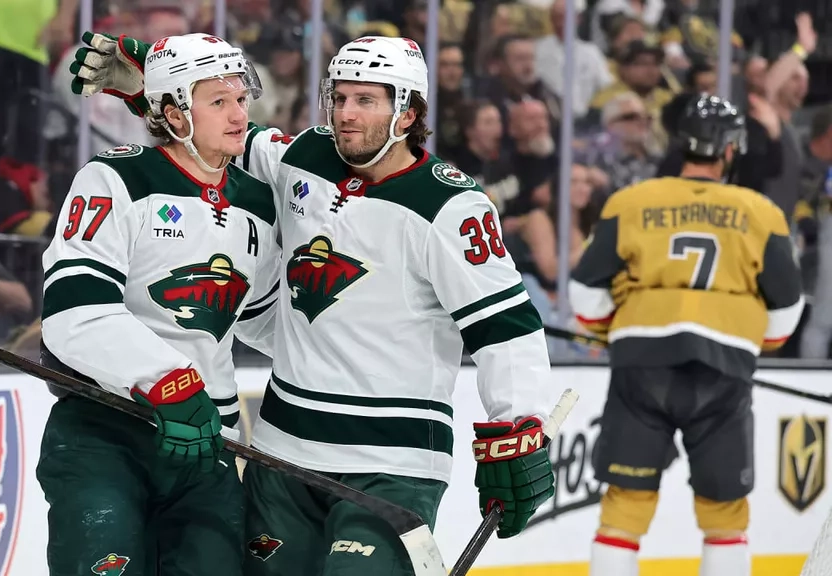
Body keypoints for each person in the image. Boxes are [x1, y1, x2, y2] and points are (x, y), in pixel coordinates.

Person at [70, 32, 556, 575]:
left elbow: (505, 325)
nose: (346, 114)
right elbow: (222, 138)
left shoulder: (450, 206)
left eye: (366, 100)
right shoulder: (305, 156)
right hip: (282, 457)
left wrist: (519, 427)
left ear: (408, 112)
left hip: (392, 467)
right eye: (339, 97)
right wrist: (158, 91)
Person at [38, 33, 281, 576]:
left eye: (241, 98)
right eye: (218, 101)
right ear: (173, 114)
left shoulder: (259, 205)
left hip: (207, 444)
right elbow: (75, 315)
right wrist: (171, 381)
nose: (239, 114)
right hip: (106, 431)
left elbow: (263, 322)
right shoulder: (115, 178)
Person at [568, 95, 805, 576]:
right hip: (723, 368)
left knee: (624, 508)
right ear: (731, 150)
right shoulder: (761, 212)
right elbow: (785, 313)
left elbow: (584, 296)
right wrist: (749, 340)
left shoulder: (631, 202)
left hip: (641, 363)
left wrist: (613, 330)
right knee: (725, 515)